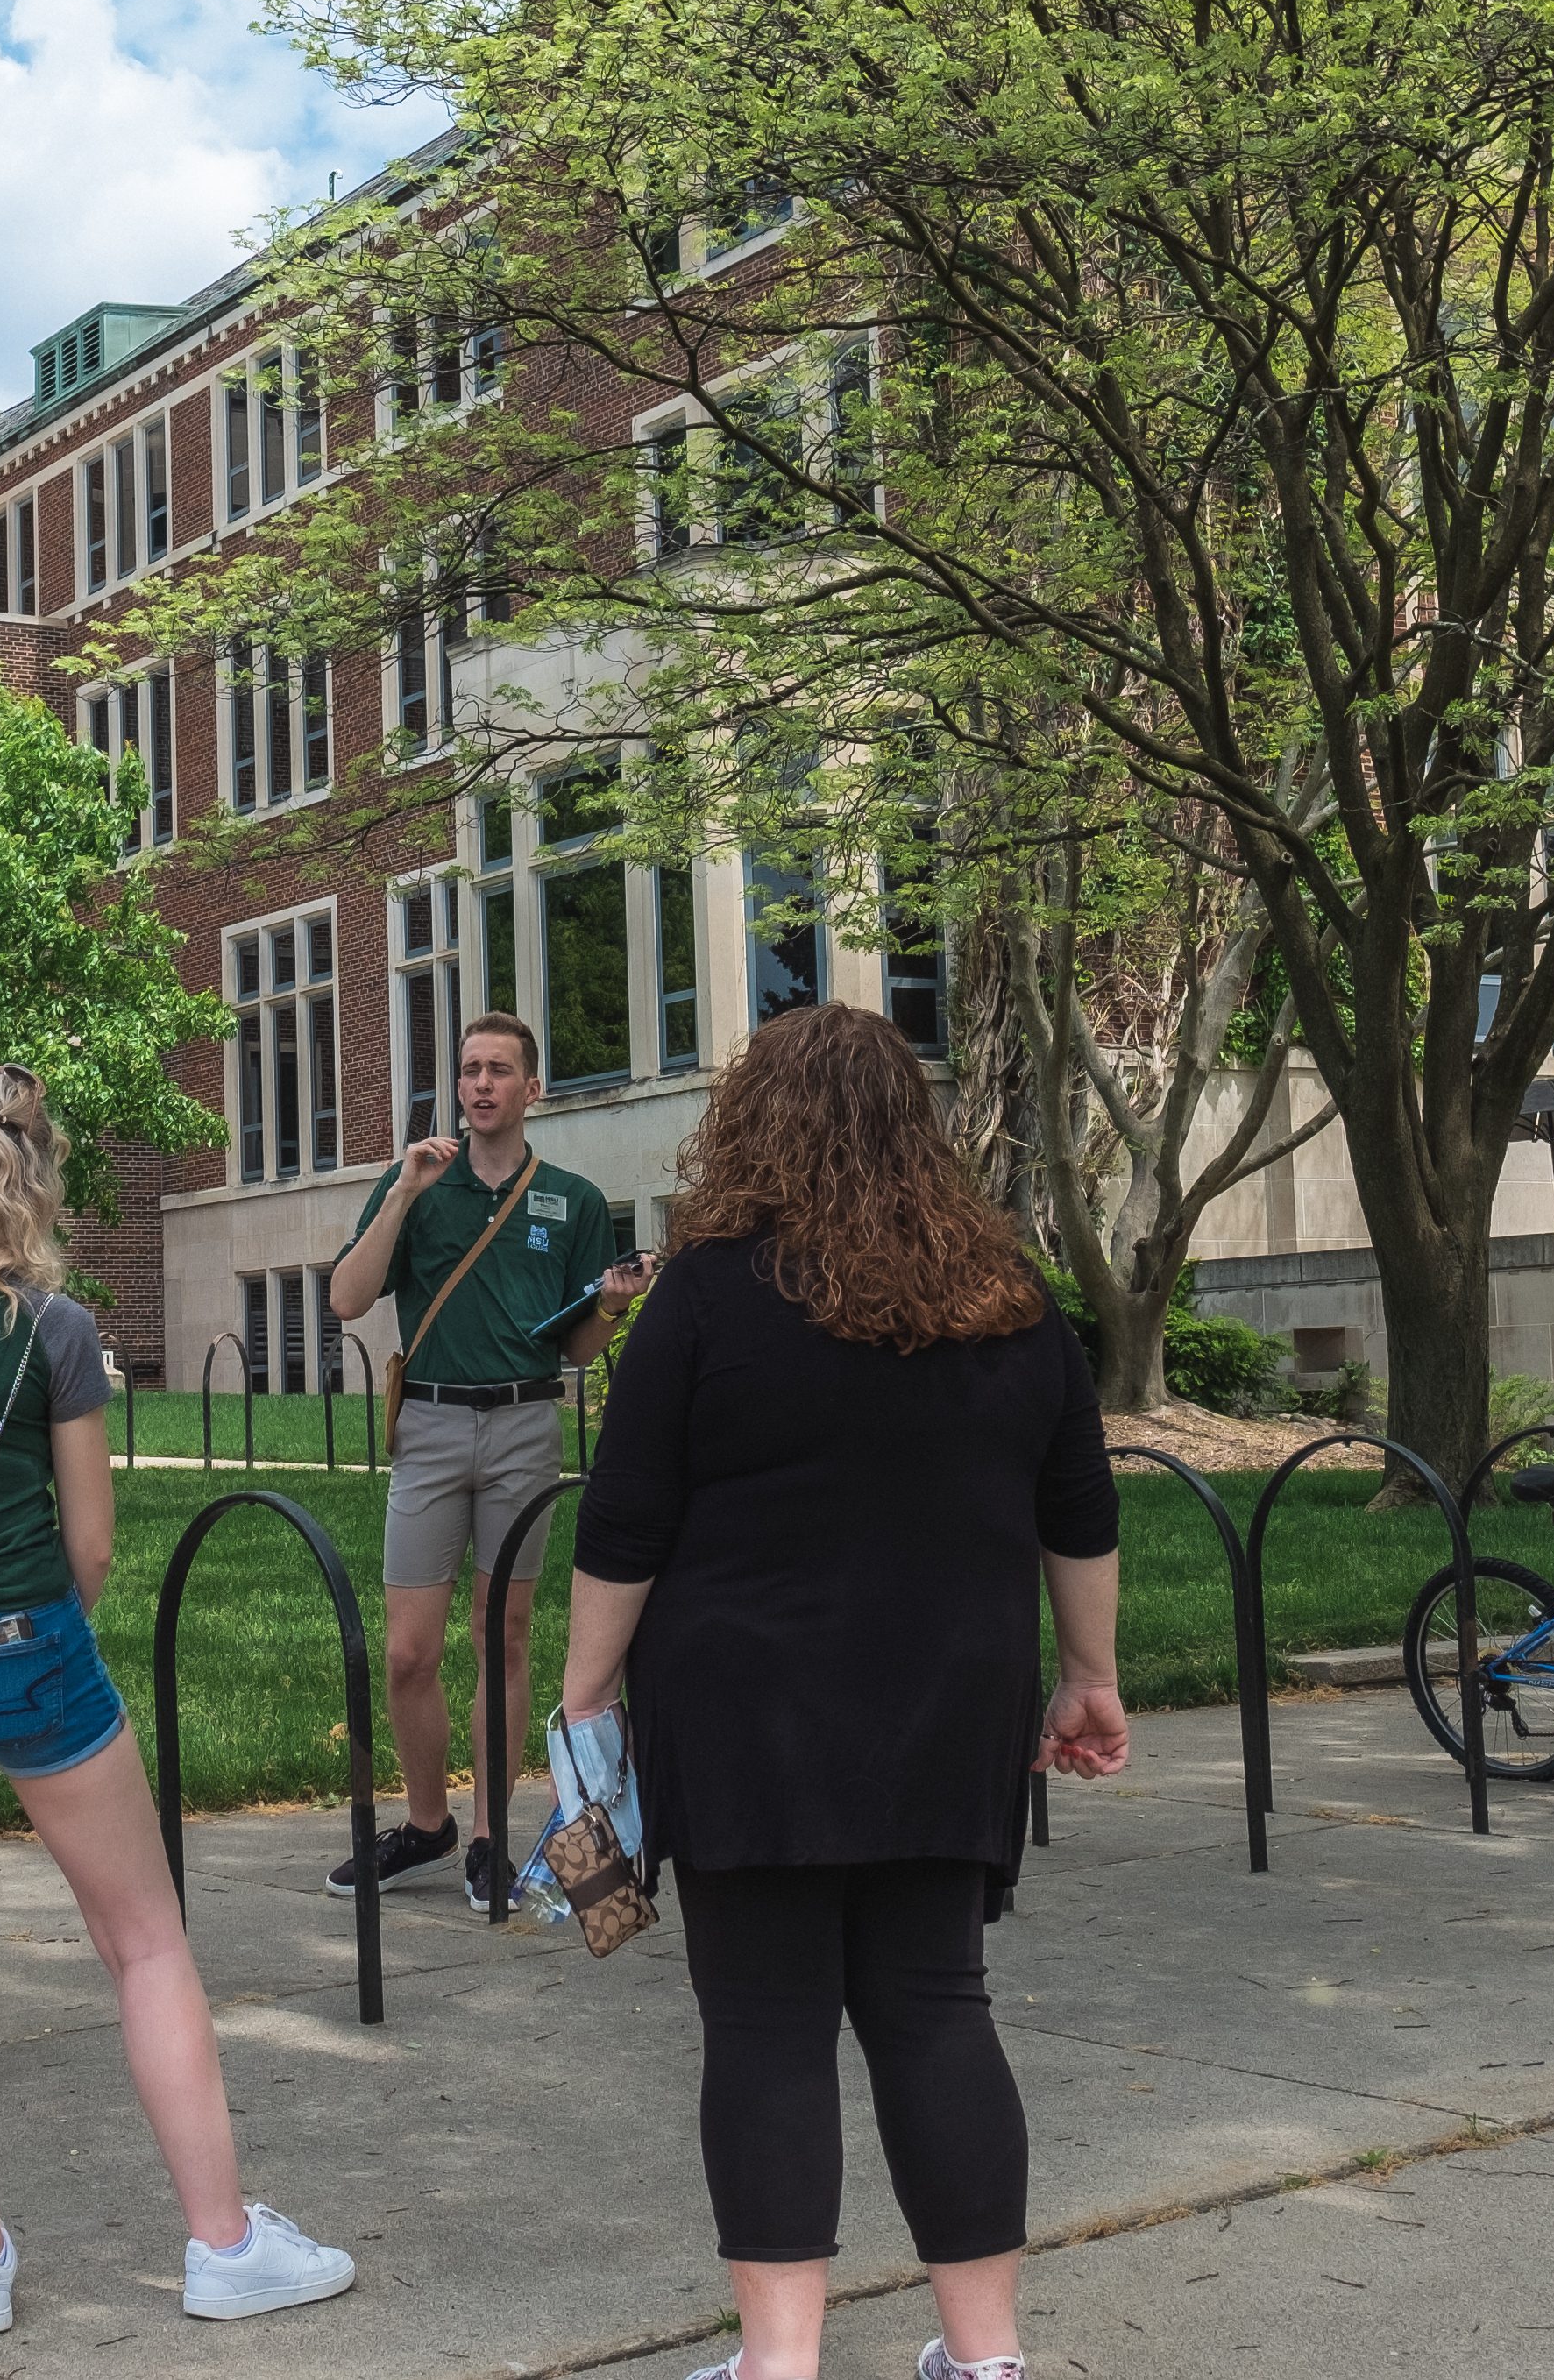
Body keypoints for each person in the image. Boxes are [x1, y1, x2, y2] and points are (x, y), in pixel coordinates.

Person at [559, 1002, 1132, 2380]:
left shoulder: (702, 1294)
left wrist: (582, 1698)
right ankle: (986, 2356)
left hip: (747, 1706)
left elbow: (625, 1518)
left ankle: (780, 2361)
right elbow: (1080, 1507)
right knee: (938, 2006)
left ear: (751, 1123)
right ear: (915, 1127)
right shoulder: (1010, 1302)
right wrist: (1092, 1678)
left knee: (763, 2025)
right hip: (951, 1704)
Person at [0, 1059, 357, 2334]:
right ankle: (222, 2243)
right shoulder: (50, 1330)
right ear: (26, 1172)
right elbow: (94, 1542)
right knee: (146, 1941)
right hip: (26, 1641)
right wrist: (31, 1630)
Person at [323, 1009, 651, 1899]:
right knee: (406, 1652)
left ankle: (483, 1840)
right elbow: (346, 1299)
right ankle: (425, 1824)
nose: (478, 1085)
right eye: (467, 1070)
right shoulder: (416, 1179)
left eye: (497, 1070)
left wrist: (614, 1304)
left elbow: (576, 1349)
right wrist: (399, 1192)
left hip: (520, 1425)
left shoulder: (572, 1200)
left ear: (530, 1088)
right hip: (428, 1429)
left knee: (501, 1638)